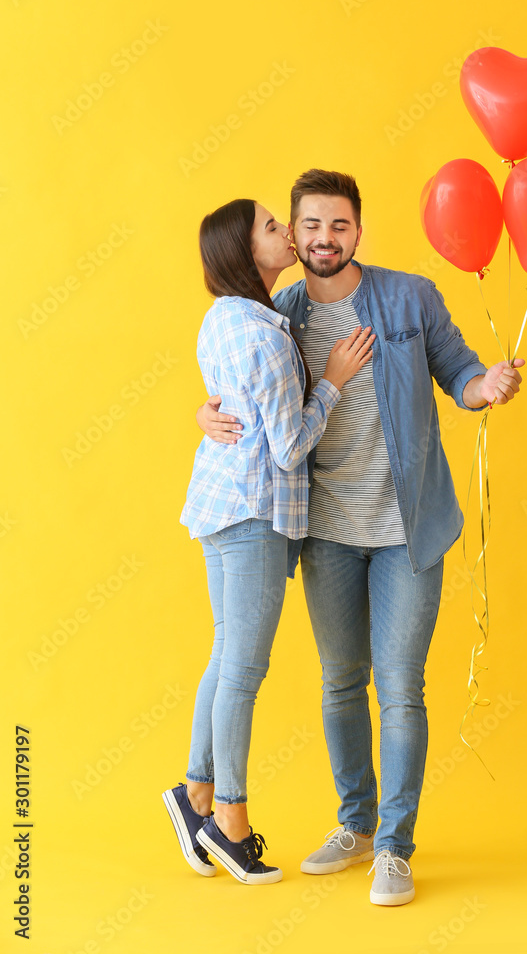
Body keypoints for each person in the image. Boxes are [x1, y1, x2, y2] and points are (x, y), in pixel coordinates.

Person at [197, 170, 525, 905]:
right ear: (292, 232)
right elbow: (242, 389)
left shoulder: (409, 297)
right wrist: (202, 412)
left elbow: (460, 373)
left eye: (337, 225)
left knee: (400, 690)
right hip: (325, 534)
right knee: (341, 683)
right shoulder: (277, 313)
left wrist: (487, 386)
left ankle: (394, 848)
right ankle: (354, 826)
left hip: (408, 531)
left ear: (357, 230)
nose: (322, 238)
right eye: (308, 225)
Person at [163, 197, 374, 886]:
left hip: (221, 504)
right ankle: (230, 820)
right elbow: (287, 445)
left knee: (225, 657)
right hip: (255, 511)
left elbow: (227, 404)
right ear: (243, 250)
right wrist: (334, 384)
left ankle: (195, 793)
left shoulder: (227, 317)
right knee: (243, 670)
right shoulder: (261, 332)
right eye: (272, 227)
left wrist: (207, 411)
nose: (287, 233)